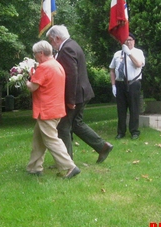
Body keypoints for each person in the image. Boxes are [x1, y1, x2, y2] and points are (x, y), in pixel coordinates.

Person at [46, 25, 113, 164]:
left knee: (63, 127)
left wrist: (70, 100)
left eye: (51, 41)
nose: (51, 45)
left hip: (76, 95)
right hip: (82, 93)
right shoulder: (73, 45)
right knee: (76, 124)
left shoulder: (66, 49)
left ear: (57, 38)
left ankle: (66, 163)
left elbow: (71, 76)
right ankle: (102, 146)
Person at [25, 40, 80, 178]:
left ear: (41, 53)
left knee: (51, 139)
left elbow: (33, 87)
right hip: (56, 108)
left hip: (46, 110)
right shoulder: (57, 65)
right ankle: (34, 167)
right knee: (39, 139)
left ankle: (69, 166)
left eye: (35, 54)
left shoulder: (44, 67)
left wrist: (26, 81)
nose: (35, 56)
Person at [109, 33, 145, 140]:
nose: (128, 42)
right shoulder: (117, 54)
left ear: (134, 41)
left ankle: (134, 131)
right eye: (126, 40)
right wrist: (113, 85)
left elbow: (139, 64)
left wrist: (129, 53)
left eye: (130, 40)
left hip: (133, 83)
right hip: (120, 84)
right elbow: (112, 69)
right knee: (121, 109)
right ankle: (121, 132)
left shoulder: (138, 52)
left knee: (134, 108)